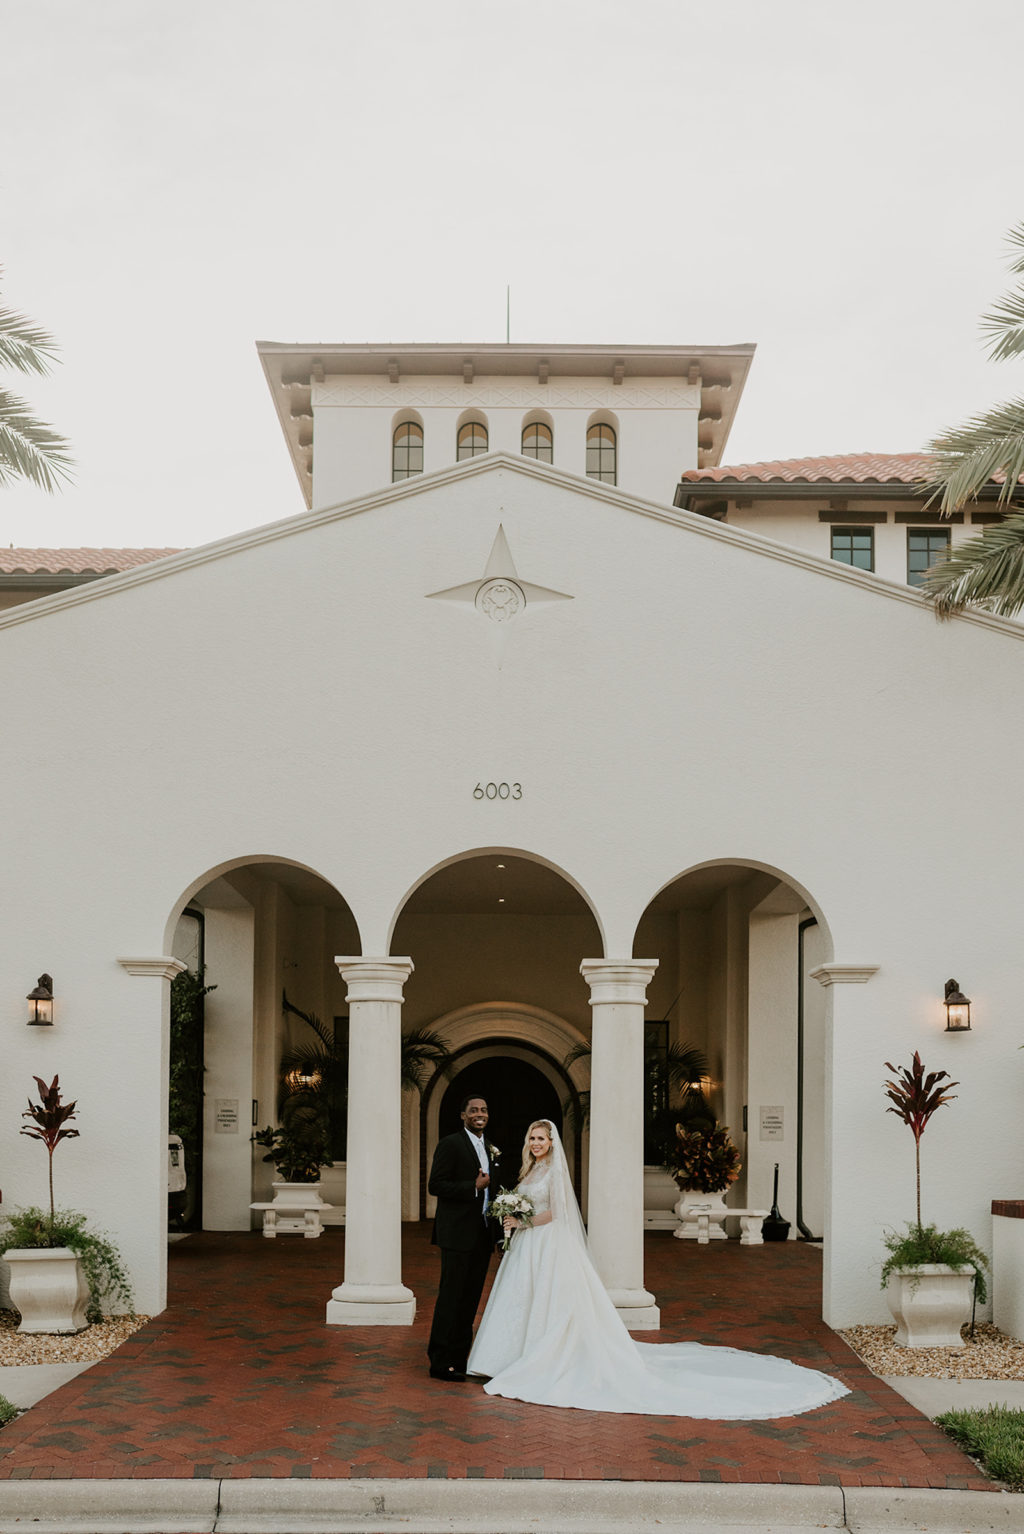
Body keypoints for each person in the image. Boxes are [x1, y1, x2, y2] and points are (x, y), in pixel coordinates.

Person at [467, 1119, 850, 1419]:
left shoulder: (553, 1173)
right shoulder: (528, 1170)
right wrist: (513, 1217)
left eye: (541, 1139)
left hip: (547, 1243)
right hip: (528, 1247)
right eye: (532, 1138)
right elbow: (527, 1205)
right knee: (524, 1299)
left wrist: (523, 1222)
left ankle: (541, 1358)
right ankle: (507, 1357)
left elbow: (558, 1213)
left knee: (551, 1301)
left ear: (552, 1143)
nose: (536, 1144)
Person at [426, 1094, 498, 1382]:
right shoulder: (451, 1144)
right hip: (456, 1235)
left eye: (483, 1109)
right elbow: (436, 1185)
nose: (479, 1114)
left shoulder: (490, 1147)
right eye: (473, 1110)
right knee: (451, 1299)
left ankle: (460, 1358)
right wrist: (474, 1186)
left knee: (469, 1301)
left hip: (481, 1235)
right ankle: (440, 1362)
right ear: (463, 1115)